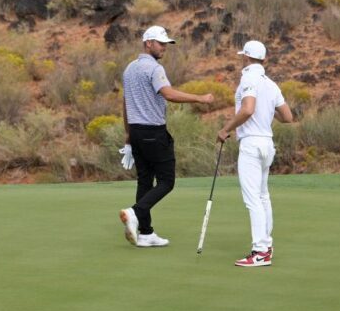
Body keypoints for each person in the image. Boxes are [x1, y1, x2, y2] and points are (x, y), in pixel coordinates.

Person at [118, 25, 214, 248]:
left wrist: (128, 134)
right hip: (153, 132)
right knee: (167, 181)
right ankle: (135, 212)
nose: (164, 47)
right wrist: (200, 98)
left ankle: (146, 232)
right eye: (161, 43)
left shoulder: (129, 69)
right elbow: (168, 94)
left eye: (165, 44)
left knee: (145, 180)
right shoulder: (154, 69)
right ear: (148, 43)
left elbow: (126, 103)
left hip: (136, 131)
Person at [217, 40, 294, 268]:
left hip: (251, 143)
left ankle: (260, 252)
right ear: (264, 59)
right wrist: (268, 112)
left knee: (253, 199)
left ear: (246, 57)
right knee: (262, 196)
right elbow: (288, 117)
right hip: (267, 143)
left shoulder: (248, 77)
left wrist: (225, 129)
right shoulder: (270, 83)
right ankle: (266, 246)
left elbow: (248, 109)